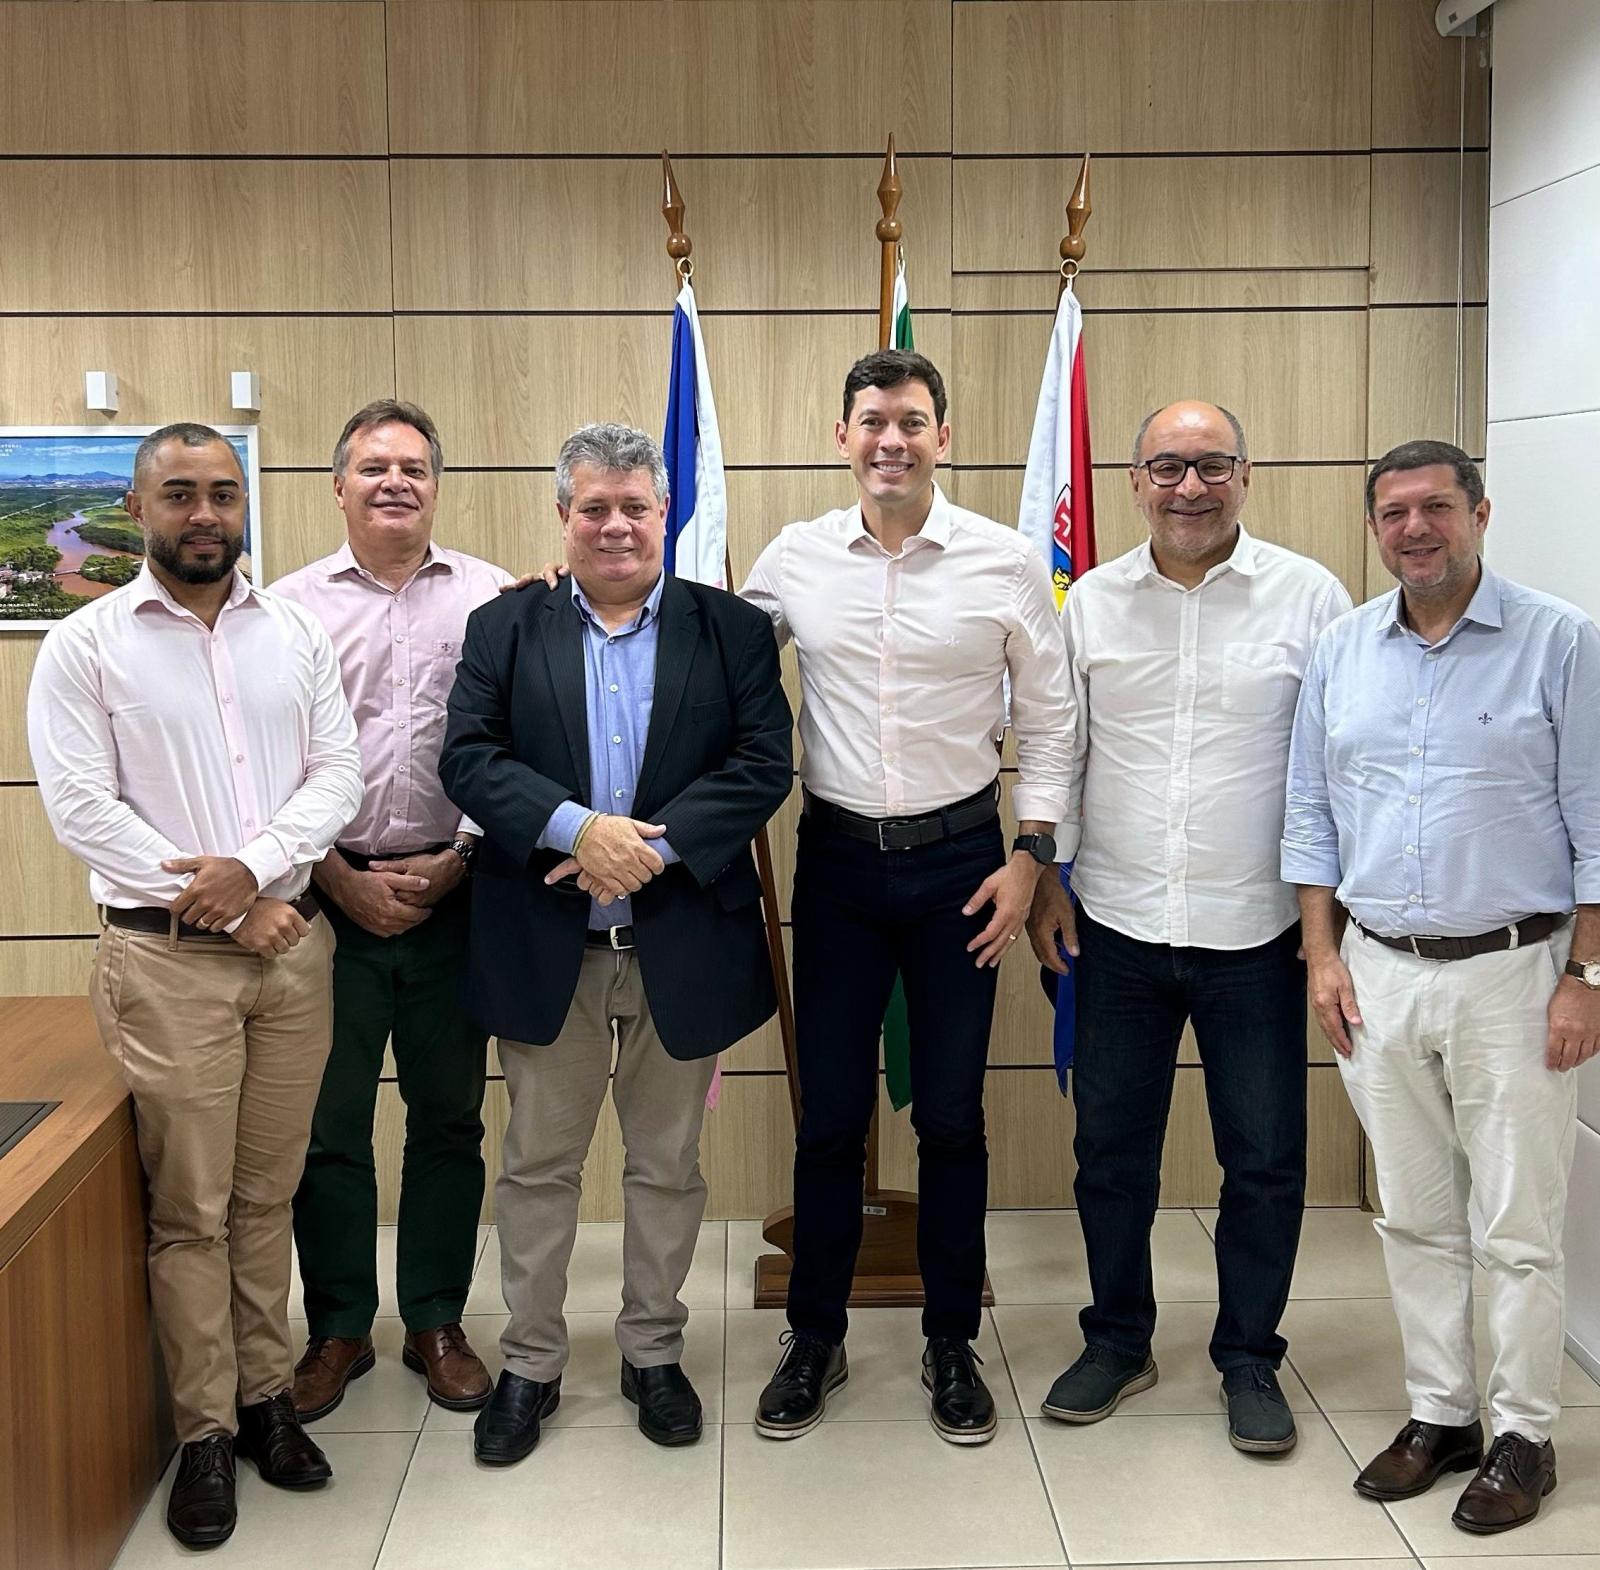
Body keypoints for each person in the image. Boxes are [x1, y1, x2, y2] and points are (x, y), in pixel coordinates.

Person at [27, 422, 364, 1548]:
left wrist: (261, 871)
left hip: (291, 955)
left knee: (267, 1198)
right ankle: (207, 1431)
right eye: (180, 494)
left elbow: (339, 773)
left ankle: (271, 1401)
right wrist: (229, 898)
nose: (205, 513)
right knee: (192, 1210)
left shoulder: (297, 635)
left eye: (223, 492)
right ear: (139, 506)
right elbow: (83, 808)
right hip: (166, 962)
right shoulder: (85, 645)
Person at [439, 422, 792, 1463]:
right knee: (539, 1166)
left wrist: (652, 848)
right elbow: (468, 756)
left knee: (668, 1167)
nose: (615, 524)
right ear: (563, 516)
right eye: (592, 506)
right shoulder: (503, 628)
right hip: (548, 947)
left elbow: (763, 762)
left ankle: (651, 1352)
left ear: (663, 513)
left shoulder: (730, 629)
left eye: (634, 505)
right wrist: (574, 830)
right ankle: (531, 1363)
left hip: (682, 941)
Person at [744, 350, 1074, 1445]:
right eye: (873, 420)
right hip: (836, 865)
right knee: (830, 1118)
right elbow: (706, 660)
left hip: (963, 873)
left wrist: (1030, 856)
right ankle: (816, 1333)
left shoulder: (1004, 559)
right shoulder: (794, 560)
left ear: (944, 436)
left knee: (951, 1116)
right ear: (841, 435)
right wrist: (555, 600)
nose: (892, 440)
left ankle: (948, 1339)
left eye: (913, 422)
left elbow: (1053, 718)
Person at [1284, 439, 1600, 1533]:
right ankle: (1442, 1411)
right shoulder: (1340, 650)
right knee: (1413, 1215)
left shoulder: (1560, 642)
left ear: (1479, 513)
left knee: (1515, 1221)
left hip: (1516, 973)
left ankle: (1525, 1434)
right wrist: (1321, 954)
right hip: (1376, 974)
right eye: (1392, 512)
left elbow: (1598, 826)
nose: (1413, 529)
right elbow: (1310, 819)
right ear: (1373, 527)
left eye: (1434, 507)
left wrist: (1584, 976)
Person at [1027, 400, 1351, 1455]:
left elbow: (1332, 773)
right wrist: (1047, 878)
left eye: (1211, 465)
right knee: (1109, 1152)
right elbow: (1057, 754)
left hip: (1254, 931)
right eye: (1166, 466)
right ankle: (1118, 1337)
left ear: (1244, 475)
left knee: (1261, 1158)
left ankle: (1248, 1356)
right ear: (1133, 482)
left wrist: (1322, 925)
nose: (1189, 486)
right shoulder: (1089, 605)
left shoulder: (1310, 598)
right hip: (1114, 925)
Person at [273, 400, 512, 1422]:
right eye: (373, 466)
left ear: (436, 485)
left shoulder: (494, 599)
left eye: (413, 466)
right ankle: (336, 1328)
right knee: (326, 1129)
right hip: (325, 902)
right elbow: (264, 766)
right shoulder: (282, 610)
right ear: (338, 486)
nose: (394, 482)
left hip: (459, 893)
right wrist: (336, 875)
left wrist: (461, 854)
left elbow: (518, 744)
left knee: (449, 1121)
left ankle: (433, 1318)